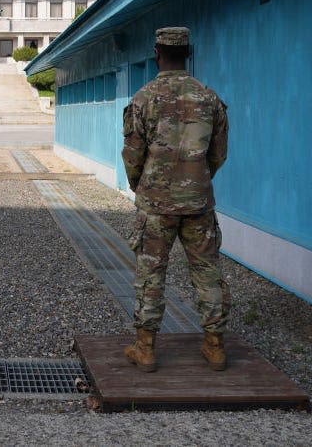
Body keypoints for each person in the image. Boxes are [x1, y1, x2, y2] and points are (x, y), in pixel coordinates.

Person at [121, 27, 230, 372]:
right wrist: (197, 176)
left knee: (151, 273)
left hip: (155, 203)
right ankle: (214, 346)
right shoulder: (209, 98)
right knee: (207, 271)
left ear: (157, 53)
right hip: (198, 201)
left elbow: (133, 154)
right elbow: (219, 153)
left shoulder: (144, 98)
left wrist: (142, 186)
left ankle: (146, 348)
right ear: (189, 52)